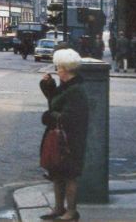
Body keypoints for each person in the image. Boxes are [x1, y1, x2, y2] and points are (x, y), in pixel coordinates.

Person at [38, 48, 89, 221]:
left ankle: (71, 211)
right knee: (57, 172)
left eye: (58, 67)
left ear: (66, 69)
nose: (57, 69)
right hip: (59, 136)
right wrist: (48, 86)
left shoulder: (76, 90)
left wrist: (49, 117)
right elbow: (55, 102)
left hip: (71, 138)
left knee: (69, 174)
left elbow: (70, 117)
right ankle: (59, 208)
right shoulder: (67, 86)